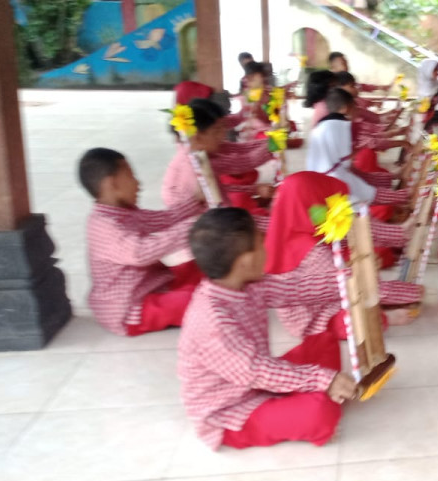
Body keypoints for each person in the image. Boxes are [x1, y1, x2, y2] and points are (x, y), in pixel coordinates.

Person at [177, 208, 357, 450]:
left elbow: (298, 288)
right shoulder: (212, 321)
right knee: (318, 413)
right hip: (231, 410)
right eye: (261, 243)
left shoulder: (250, 283)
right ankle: (313, 400)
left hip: (257, 383)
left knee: (323, 341)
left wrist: (350, 278)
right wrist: (322, 379)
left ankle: (310, 394)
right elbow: (256, 371)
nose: (267, 248)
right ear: (246, 262)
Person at [264, 171, 419, 337]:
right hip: (314, 316)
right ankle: (386, 317)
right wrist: (412, 292)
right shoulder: (314, 254)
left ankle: (380, 298)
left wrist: (397, 234)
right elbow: (353, 285)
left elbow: (354, 231)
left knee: (362, 246)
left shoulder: (285, 229)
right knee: (358, 319)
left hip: (324, 292)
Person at [81, 148, 205, 336]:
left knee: (203, 266)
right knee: (198, 302)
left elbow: (165, 219)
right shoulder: (103, 225)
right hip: (129, 308)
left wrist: (195, 201)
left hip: (154, 286)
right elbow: (140, 253)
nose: (138, 184)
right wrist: (192, 226)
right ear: (112, 184)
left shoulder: (126, 213)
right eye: (131, 176)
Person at [162, 99, 274, 213]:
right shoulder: (197, 164)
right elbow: (245, 161)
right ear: (197, 136)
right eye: (217, 131)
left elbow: (241, 149)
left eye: (223, 127)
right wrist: (276, 143)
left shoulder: (196, 147)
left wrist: (274, 141)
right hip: (202, 220)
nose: (223, 135)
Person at [305, 116, 408, 223]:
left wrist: (396, 179)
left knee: (367, 158)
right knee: (384, 209)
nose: (352, 147)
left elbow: (366, 182)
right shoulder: (333, 176)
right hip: (345, 219)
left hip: (355, 204)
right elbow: (359, 217)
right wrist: (405, 196)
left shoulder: (331, 164)